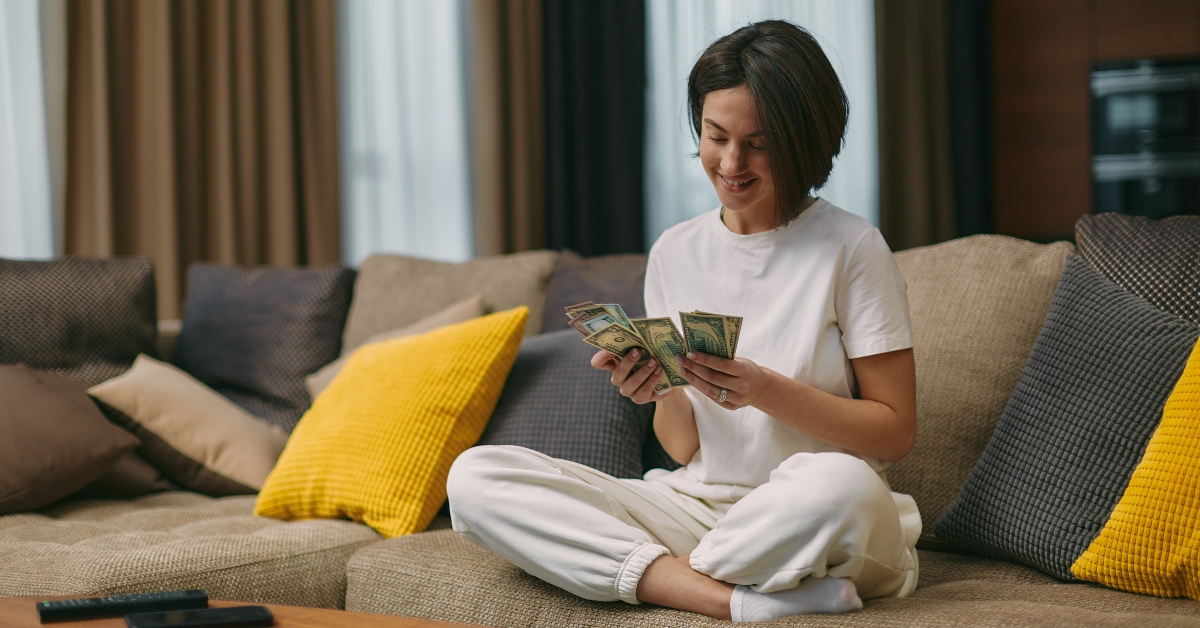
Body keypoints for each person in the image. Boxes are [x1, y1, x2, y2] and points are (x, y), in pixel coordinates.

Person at [447, 20, 920, 622]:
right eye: (715, 135)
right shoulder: (675, 250)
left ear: (804, 138)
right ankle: (734, 598)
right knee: (476, 477)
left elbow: (894, 432)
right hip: (699, 506)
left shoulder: (852, 247)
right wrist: (658, 390)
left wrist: (764, 389)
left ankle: (663, 573)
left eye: (759, 142)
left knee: (839, 486)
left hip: (823, 515)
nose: (730, 162)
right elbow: (684, 446)